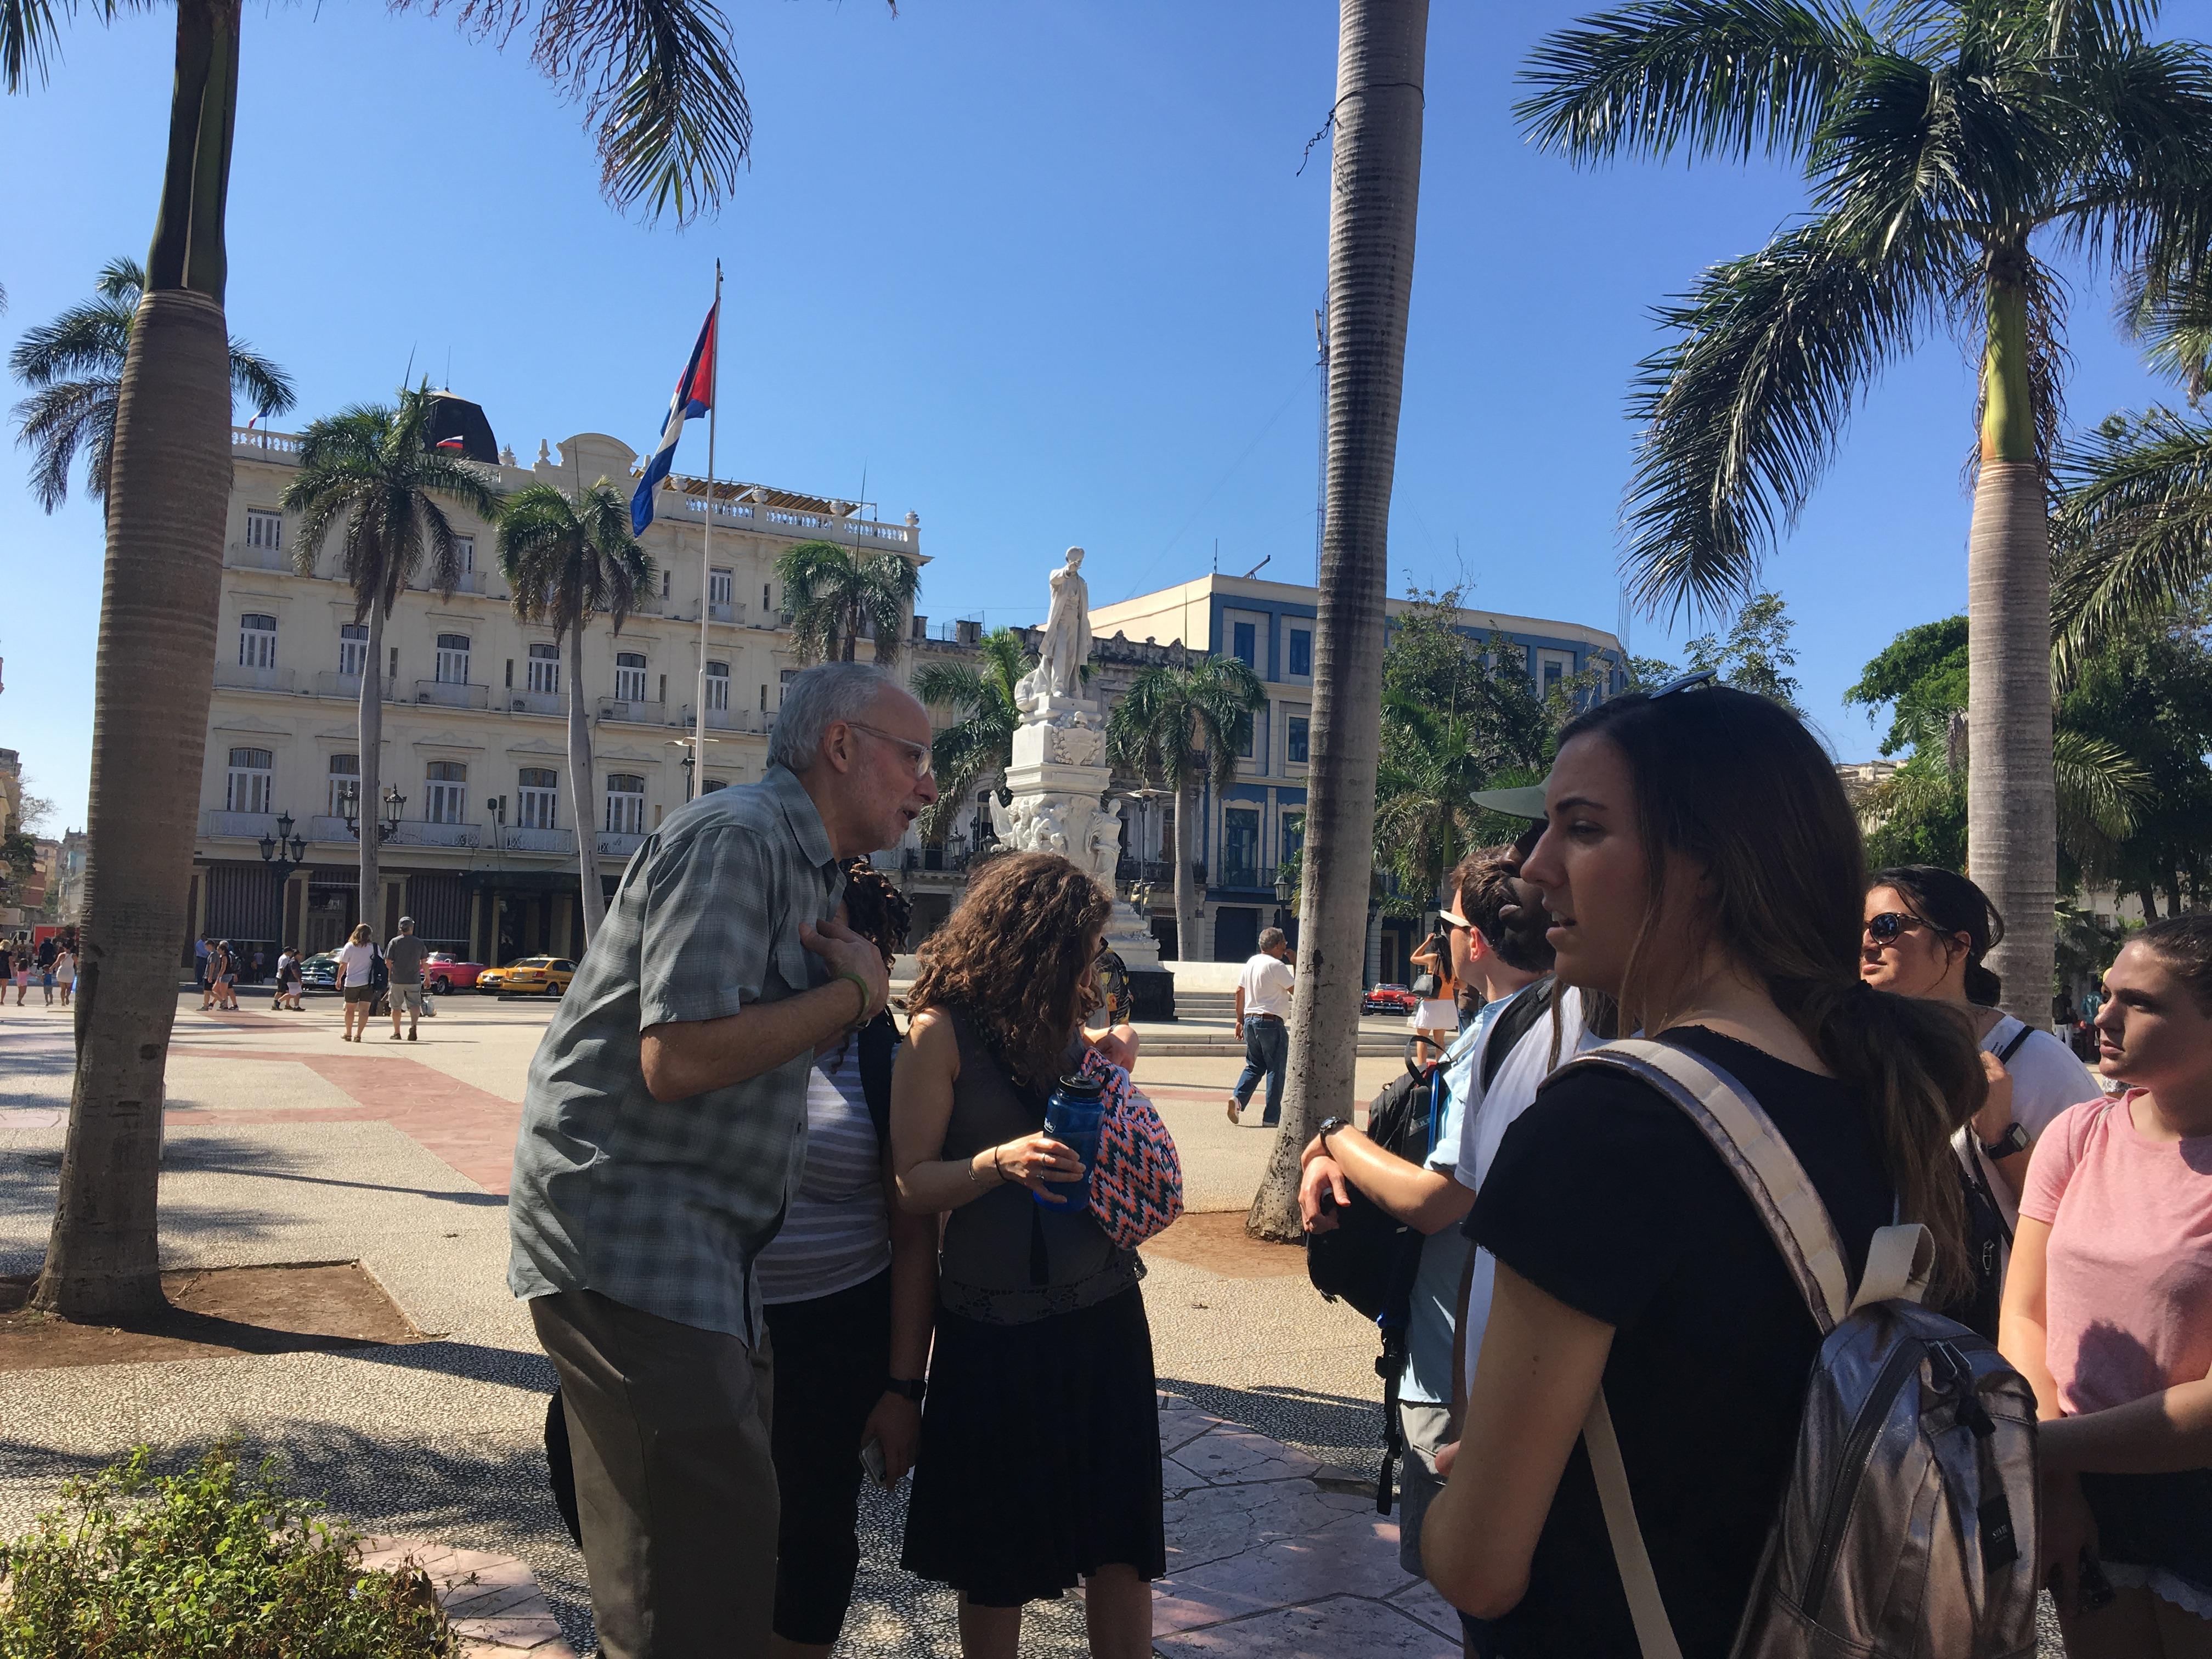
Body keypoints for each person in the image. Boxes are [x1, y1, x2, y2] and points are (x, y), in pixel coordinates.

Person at [1421, 681, 1983, 1658]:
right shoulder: (1876, 1090)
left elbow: (1479, 1562)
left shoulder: (1607, 1120)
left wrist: (1444, 1492)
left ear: (1709, 869)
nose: (1533, 867)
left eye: (1582, 829)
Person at [507, 662, 938, 1659]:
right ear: (840, 747)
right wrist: (855, 995)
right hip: (635, 1242)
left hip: (700, 1258)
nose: (926, 785)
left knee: (727, 1553)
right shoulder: (740, 836)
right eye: (911, 755)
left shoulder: (805, 864)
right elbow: (679, 1053)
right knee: (686, 1582)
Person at [891, 851, 1158, 1659]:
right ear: (1039, 941)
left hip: (1103, 1312)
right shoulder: (938, 1035)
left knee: (1121, 1541)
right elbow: (907, 1185)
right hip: (991, 1331)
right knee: (995, 1556)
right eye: (1083, 945)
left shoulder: (1069, 1034)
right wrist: (996, 1164)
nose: (1092, 963)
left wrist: (1113, 1069)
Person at [1297, 845, 1550, 1591]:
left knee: (1466, 1585)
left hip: (1456, 1367)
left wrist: (1332, 1136)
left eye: (1446, 925)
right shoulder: (1559, 1018)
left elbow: (1438, 1203)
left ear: (1475, 939)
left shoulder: (1502, 1035)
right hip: (1511, 1356)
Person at [2000, 918, 2212, 1658]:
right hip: (2083, 1487)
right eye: (2108, 995)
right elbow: (2027, 1314)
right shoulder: (2077, 1134)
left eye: (2141, 1003)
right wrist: (2054, 1479)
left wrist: (2031, 1449)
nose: (2102, 1017)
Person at [753, 861, 936, 1657]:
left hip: (835, 1328)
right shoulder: (748, 1027)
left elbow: (911, 1238)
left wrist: (903, 1388)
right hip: (724, 1321)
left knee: (815, 1532)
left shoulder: (885, 1063)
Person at [1861, 864, 2098, 1335]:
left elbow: (2088, 1219)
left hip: (2002, 1344)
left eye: (1886, 927)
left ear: (1957, 946)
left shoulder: (2037, 1063)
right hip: (1884, 1345)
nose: (1867, 943)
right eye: (1861, 929)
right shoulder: (1855, 1057)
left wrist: (2002, 1135)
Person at [1226, 926, 1295, 1127]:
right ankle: (1271, 1118)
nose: (1285, 947)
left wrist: (1239, 1019)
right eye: (1283, 943)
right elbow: (1299, 990)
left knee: (1254, 1065)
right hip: (1271, 1022)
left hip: (1250, 1020)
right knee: (1276, 1069)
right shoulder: (1277, 966)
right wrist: (1296, 964)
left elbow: (1239, 991)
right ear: (1275, 945)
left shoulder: (1252, 962)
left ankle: (1238, 1099)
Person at [1408, 926, 1458, 1048]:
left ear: (1434, 946)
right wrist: (1449, 984)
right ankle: (1438, 1066)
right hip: (1448, 1003)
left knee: (1422, 1039)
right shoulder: (1453, 962)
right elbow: (1462, 984)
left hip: (1432, 1002)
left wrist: (1426, 942)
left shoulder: (1432, 958)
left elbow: (1413, 958)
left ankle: (1422, 1067)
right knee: (1440, 1040)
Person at [385, 916, 428, 1042]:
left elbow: (388, 961)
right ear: (412, 928)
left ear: (400, 928)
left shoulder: (394, 942)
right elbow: (424, 962)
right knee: (415, 1004)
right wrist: (427, 978)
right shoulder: (419, 943)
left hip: (397, 979)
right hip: (414, 979)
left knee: (396, 1006)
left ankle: (397, 1032)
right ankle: (413, 1026)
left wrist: (390, 974)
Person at [334, 924, 380, 1041]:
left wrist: (339, 979)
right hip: (368, 982)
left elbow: (343, 964)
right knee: (365, 1010)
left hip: (351, 982)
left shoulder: (350, 946)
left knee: (350, 1009)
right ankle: (358, 1035)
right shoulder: (374, 947)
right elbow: (381, 962)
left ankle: (348, 1033)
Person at [53, 943, 74, 1008]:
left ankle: (63, 1002)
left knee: (63, 989)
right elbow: (78, 964)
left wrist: (51, 968)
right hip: (70, 972)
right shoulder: (74, 956)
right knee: (69, 988)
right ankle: (67, 996)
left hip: (61, 972)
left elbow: (57, 963)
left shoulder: (62, 955)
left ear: (65, 948)